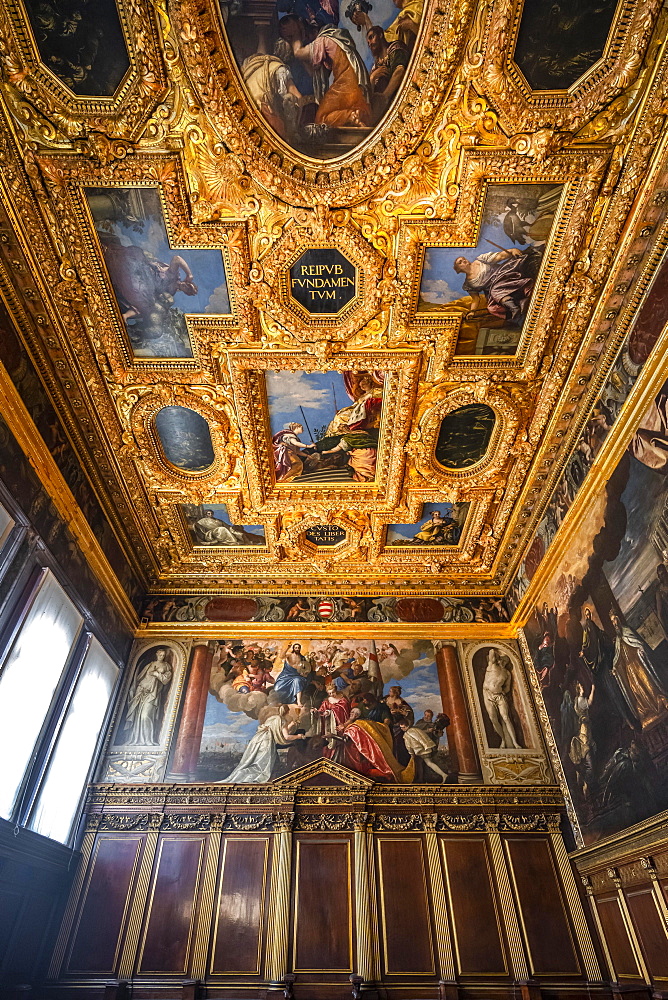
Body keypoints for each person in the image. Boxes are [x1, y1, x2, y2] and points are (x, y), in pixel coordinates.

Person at [280, 15, 372, 128]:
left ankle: (351, 116)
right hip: (353, 85)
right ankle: (354, 115)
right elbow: (314, 72)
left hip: (346, 85)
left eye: (308, 37)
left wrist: (295, 34)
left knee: (321, 118)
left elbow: (299, 52)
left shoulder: (324, 39)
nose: (309, 42)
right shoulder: (336, 38)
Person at [579, 607, 640, 730]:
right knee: (614, 696)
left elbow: (606, 643)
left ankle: (633, 715)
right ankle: (627, 720)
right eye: (586, 615)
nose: (588, 617)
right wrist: (584, 653)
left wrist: (610, 645)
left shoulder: (598, 631)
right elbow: (587, 648)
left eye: (589, 614)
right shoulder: (587, 632)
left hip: (609, 666)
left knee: (623, 690)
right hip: (603, 672)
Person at [453, 245, 543, 326]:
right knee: (492, 308)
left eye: (463, 258)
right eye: (460, 262)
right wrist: (472, 312)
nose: (464, 260)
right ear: (458, 269)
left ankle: (514, 309)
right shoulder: (468, 284)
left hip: (504, 274)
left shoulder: (480, 260)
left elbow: (500, 256)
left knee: (496, 290)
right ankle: (518, 317)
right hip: (495, 290)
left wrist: (512, 250)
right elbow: (475, 299)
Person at [609, 612, 668, 726]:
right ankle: (647, 711)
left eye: (615, 620)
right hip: (630, 671)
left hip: (638, 664)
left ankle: (661, 701)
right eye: (612, 622)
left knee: (648, 684)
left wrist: (640, 649)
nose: (614, 623)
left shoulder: (627, 631)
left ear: (618, 620)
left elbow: (637, 642)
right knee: (637, 691)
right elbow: (617, 657)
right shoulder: (617, 640)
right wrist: (615, 669)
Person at [220, 706, 306, 783]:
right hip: (266, 742)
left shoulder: (273, 718)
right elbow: (286, 736)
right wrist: (298, 736)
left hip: (257, 740)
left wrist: (290, 725)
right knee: (261, 767)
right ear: (287, 712)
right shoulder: (282, 720)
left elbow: (277, 730)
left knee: (252, 762)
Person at [123, 648, 173, 745]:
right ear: (156, 654)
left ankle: (148, 740)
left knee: (146, 716)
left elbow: (166, 680)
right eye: (160, 655)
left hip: (153, 694)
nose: (161, 657)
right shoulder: (149, 664)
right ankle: (135, 739)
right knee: (137, 716)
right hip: (141, 691)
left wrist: (157, 674)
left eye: (163, 655)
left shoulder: (167, 666)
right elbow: (140, 678)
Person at [481, 648, 522, 749]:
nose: (503, 662)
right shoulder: (492, 666)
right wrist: (495, 651)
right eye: (502, 660)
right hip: (488, 694)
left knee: (506, 717)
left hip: (499, 696)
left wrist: (502, 692)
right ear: (498, 660)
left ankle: (515, 743)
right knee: (493, 718)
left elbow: (507, 687)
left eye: (505, 661)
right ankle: (503, 739)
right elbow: (491, 652)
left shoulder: (507, 673)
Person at [365, 25, 409, 109]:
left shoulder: (395, 48)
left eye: (371, 37)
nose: (370, 43)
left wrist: (385, 96)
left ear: (380, 35)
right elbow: (369, 96)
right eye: (368, 43)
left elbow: (399, 71)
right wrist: (372, 78)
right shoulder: (375, 68)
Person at [397, 718, 449, 782]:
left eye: (403, 727)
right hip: (423, 749)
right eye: (401, 728)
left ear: (407, 726)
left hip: (421, 751)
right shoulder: (415, 730)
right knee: (420, 763)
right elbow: (423, 737)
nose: (402, 729)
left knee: (428, 763)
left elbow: (409, 746)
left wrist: (411, 754)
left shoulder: (407, 734)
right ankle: (421, 779)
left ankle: (443, 775)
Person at [568, 682, 595, 797]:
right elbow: (590, 702)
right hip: (584, 731)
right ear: (578, 689)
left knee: (589, 754)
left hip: (585, 729)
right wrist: (593, 689)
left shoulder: (577, 700)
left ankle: (583, 777)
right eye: (581, 687)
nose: (583, 688)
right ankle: (586, 783)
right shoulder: (579, 700)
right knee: (589, 757)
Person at [191, 510, 263, 546]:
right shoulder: (202, 521)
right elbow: (198, 528)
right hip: (211, 534)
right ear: (206, 514)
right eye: (208, 513)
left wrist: (234, 528)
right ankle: (233, 541)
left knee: (238, 533)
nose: (210, 514)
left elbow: (227, 526)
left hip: (221, 532)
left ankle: (249, 541)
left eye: (211, 513)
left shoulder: (218, 520)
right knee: (222, 529)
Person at [273, 642, 311, 706]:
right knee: (278, 686)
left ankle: (298, 701)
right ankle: (281, 700)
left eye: (298, 648)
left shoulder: (302, 658)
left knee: (297, 681)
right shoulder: (289, 655)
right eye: (296, 648)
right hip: (286, 675)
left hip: (297, 675)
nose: (297, 649)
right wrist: (287, 647)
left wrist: (304, 673)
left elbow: (306, 667)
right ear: (293, 648)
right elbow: (281, 656)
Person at [656, 563, 668, 636]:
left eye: (664, 573)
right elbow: (659, 613)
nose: (663, 576)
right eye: (661, 575)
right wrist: (665, 633)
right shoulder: (659, 592)